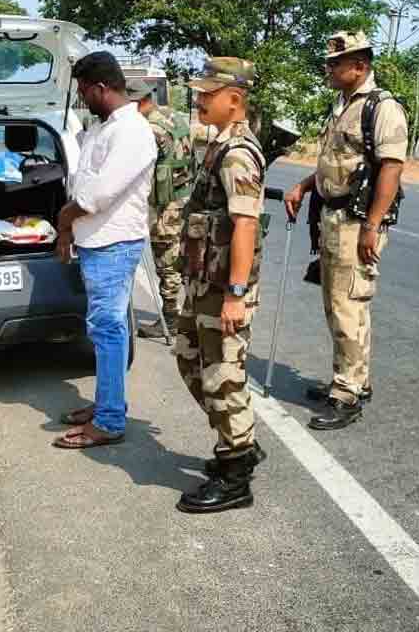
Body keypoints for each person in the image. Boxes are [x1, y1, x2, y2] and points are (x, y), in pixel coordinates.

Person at [283, 31, 407, 432]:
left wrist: (372, 225)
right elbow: (335, 164)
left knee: (347, 304)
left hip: (356, 222)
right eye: (330, 62)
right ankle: (354, 379)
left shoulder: (382, 108)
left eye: (337, 63)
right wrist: (304, 186)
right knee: (341, 303)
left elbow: (391, 168)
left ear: (361, 65)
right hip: (333, 217)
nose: (329, 69)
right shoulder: (342, 106)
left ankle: (347, 392)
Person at [174, 57, 267, 514]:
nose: (199, 99)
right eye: (200, 92)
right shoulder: (218, 143)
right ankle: (241, 444)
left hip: (223, 288)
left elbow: (245, 225)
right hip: (203, 280)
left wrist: (234, 295)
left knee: (222, 376)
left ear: (235, 100)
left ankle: (236, 477)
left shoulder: (237, 153)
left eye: (209, 94)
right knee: (191, 362)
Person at [53, 52, 157, 449]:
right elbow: (81, 181)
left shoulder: (130, 131)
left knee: (109, 330)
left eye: (83, 91)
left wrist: (65, 220)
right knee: (101, 329)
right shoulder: (105, 127)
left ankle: (110, 419)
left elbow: (97, 195)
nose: (82, 98)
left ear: (100, 88)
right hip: (97, 242)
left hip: (113, 243)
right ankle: (105, 403)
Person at [127, 79, 191, 341]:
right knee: (182, 258)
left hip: (165, 207)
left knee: (167, 263)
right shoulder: (173, 116)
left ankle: (172, 318)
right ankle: (187, 315)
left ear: (137, 102)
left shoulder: (150, 129)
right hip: (184, 198)